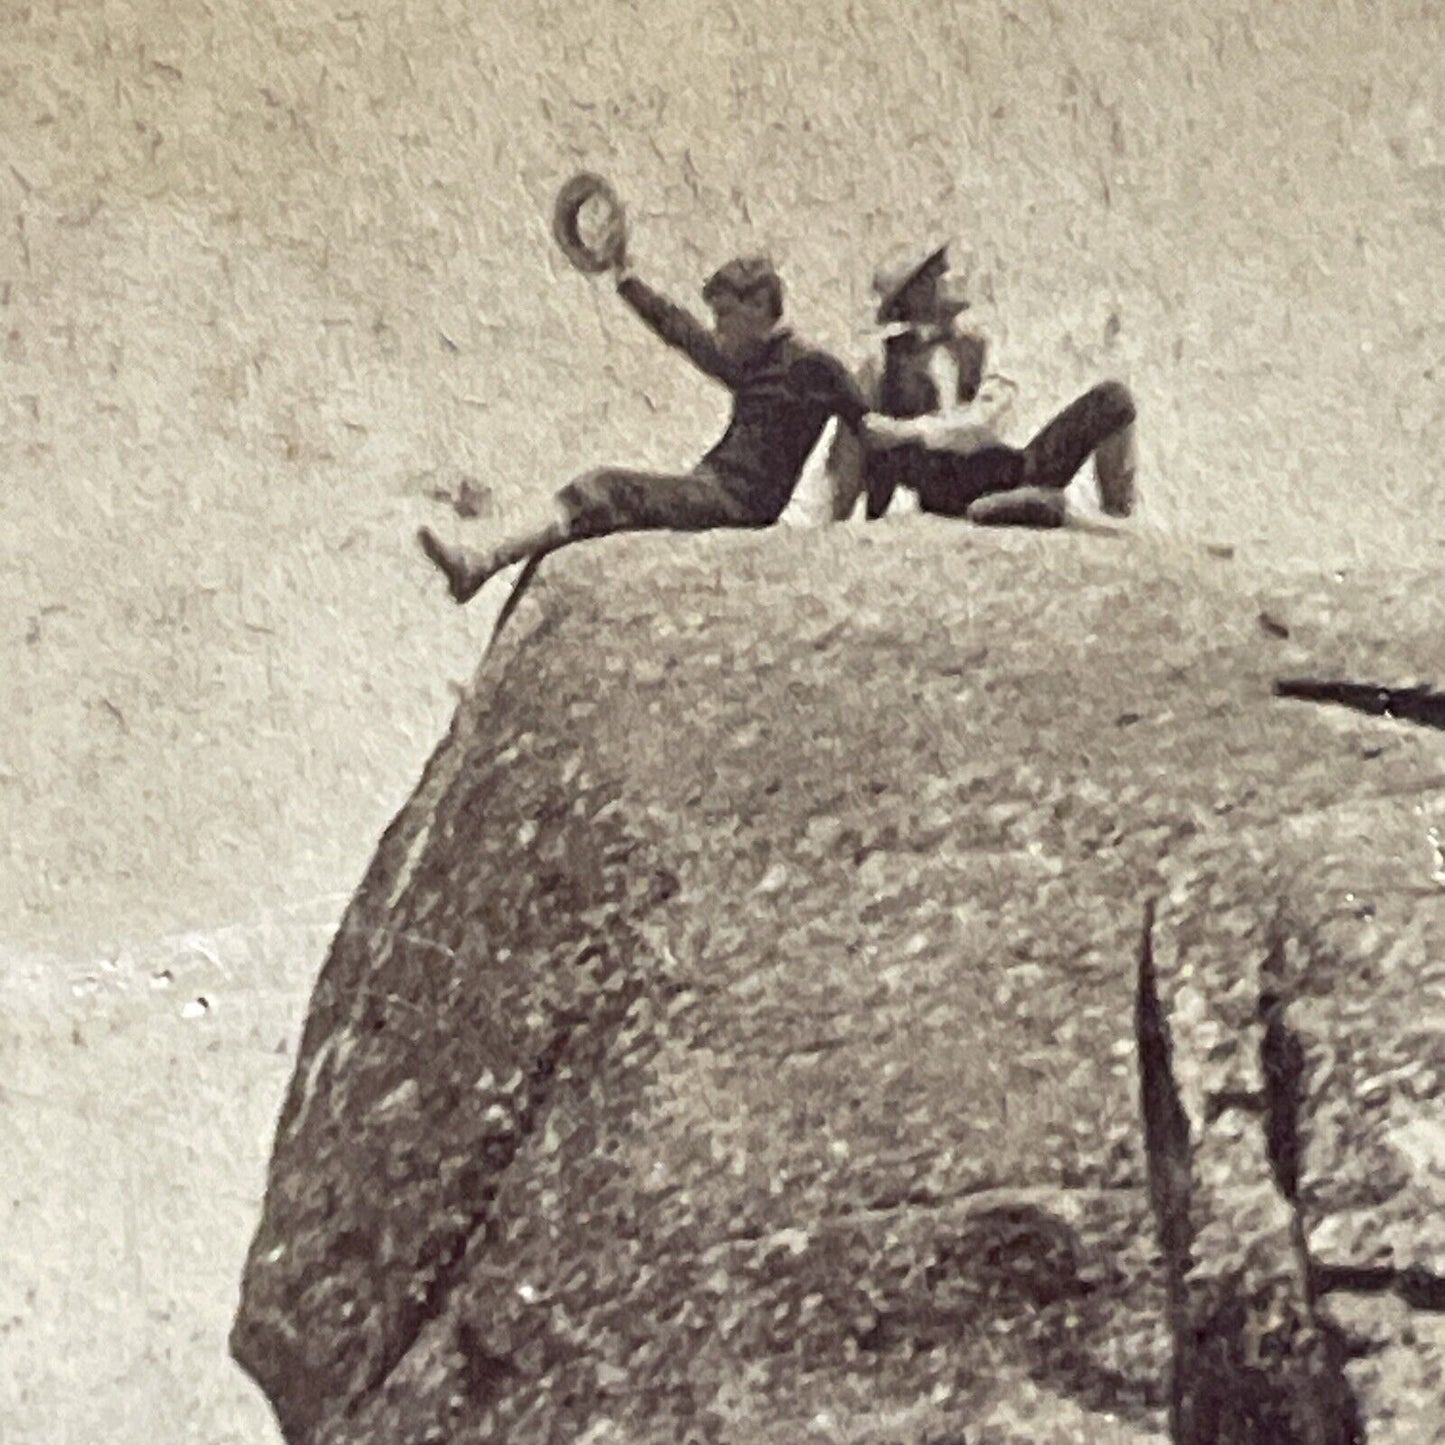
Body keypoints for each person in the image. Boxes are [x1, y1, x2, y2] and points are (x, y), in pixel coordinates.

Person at [418, 246, 914, 604]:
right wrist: (625, 278)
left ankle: (480, 563)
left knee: (603, 487)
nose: (717, 328)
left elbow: (870, 434)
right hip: (713, 491)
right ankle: (484, 561)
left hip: (739, 504)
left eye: (725, 315)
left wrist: (870, 529)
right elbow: (683, 333)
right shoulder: (752, 363)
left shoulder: (813, 368)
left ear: (761, 307)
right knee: (596, 516)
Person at [823, 243, 1138, 529]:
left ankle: (1111, 511)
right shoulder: (881, 365)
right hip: (945, 487)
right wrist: (835, 517)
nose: (951, 277)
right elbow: (853, 448)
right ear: (916, 293)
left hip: (1007, 468)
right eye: (938, 274)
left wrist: (902, 432)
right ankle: (1016, 506)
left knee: (1112, 399)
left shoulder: (980, 346)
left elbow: (983, 423)